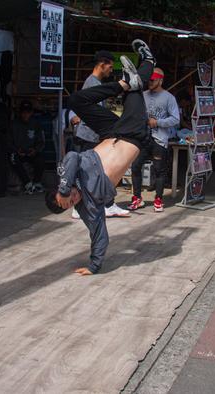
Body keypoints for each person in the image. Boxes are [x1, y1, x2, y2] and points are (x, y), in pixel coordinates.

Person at [45, 39, 155, 276]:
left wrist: (65, 186)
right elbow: (98, 232)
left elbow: (73, 156)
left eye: (67, 196)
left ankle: (122, 84)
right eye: (70, 202)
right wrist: (94, 266)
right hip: (132, 136)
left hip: (109, 132)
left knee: (76, 100)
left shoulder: (68, 174)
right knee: (137, 90)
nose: (73, 197)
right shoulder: (89, 207)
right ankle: (148, 61)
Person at [69, 50, 130, 219]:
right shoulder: (92, 83)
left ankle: (107, 204)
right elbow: (91, 114)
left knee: (98, 171)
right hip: (89, 135)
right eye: (110, 66)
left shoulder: (94, 82)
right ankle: (78, 206)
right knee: (87, 172)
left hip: (93, 134)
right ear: (102, 65)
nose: (111, 70)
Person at [129, 68, 179, 211]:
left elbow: (176, 119)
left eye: (153, 80)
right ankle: (137, 198)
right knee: (136, 166)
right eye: (149, 80)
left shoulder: (169, 98)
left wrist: (158, 122)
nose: (150, 82)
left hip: (159, 139)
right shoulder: (142, 95)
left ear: (160, 80)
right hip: (143, 138)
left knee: (159, 170)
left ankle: (158, 199)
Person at [8, 100, 45, 194]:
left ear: (31, 112)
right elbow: (8, 142)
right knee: (13, 158)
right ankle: (27, 184)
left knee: (40, 159)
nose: (25, 115)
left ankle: (37, 183)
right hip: (18, 153)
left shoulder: (35, 124)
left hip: (31, 152)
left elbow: (40, 141)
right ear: (20, 113)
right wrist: (16, 150)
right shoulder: (13, 124)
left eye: (28, 112)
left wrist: (35, 150)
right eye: (23, 112)